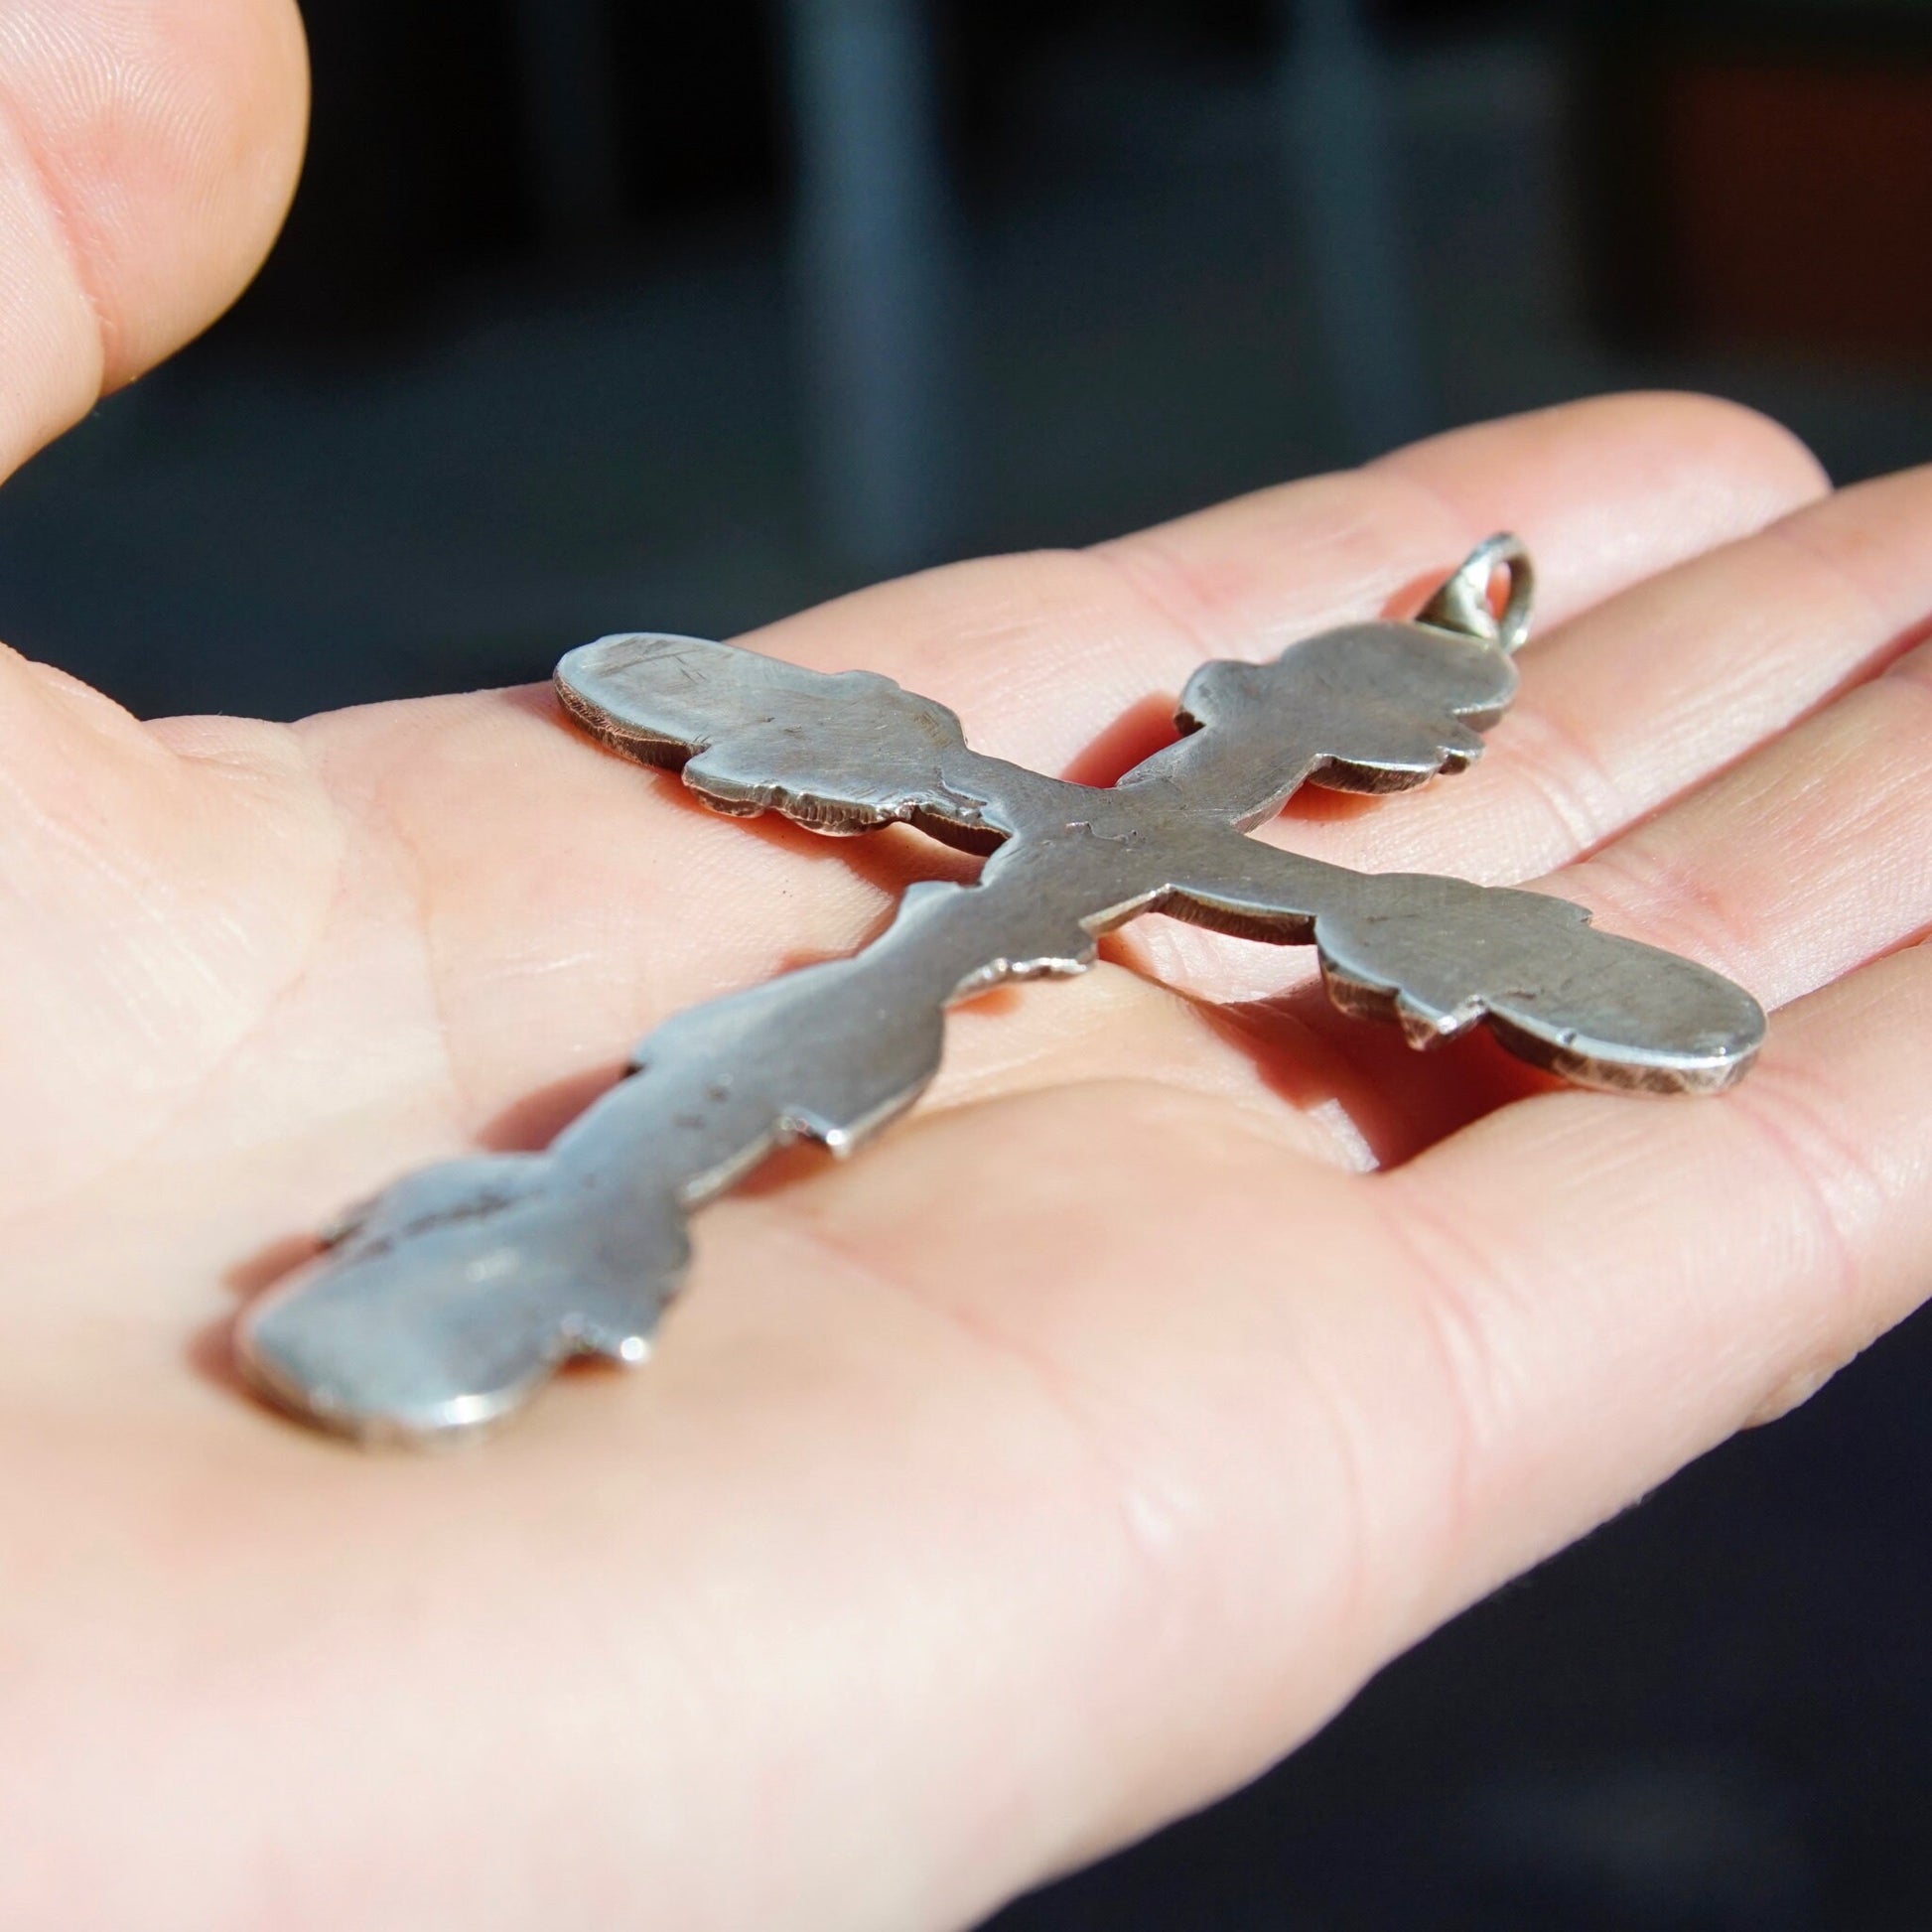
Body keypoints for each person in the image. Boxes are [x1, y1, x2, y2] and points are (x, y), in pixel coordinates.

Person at [3, 5, 1929, 1929]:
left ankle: (536, 1259)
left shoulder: (1200, 794)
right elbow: (690, 694)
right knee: (843, 1010)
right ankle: (527, 1267)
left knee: (866, 1000)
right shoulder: (1150, 786)